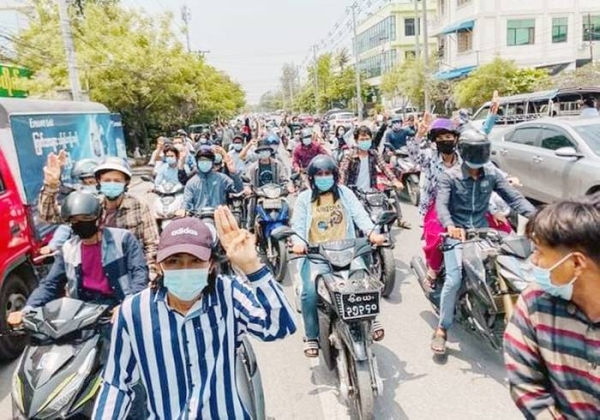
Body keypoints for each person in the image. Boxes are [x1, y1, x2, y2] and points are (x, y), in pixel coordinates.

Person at [92, 207, 297, 419]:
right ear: (159, 265)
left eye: (195, 261)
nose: (184, 270)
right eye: (174, 261)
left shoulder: (228, 293)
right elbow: (117, 384)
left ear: (210, 265)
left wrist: (252, 267)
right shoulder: (134, 312)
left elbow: (280, 327)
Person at [431, 129, 536, 354]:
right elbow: (441, 205)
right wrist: (450, 225)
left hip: (483, 232)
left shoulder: (491, 173)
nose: (477, 167)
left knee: (510, 266)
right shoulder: (449, 176)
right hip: (457, 235)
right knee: (453, 278)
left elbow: (514, 198)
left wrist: (539, 218)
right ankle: (442, 329)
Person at [504, 197, 600, 419]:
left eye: (539, 252)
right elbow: (524, 383)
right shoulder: (535, 303)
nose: (534, 261)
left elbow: (512, 195)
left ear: (576, 263)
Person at [290, 155, 386, 357]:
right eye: (319, 174)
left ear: (335, 175)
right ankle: (312, 336)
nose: (324, 177)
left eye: (328, 174)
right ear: (312, 178)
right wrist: (299, 243)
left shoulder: (345, 193)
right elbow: (298, 225)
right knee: (309, 293)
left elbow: (360, 215)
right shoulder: (304, 199)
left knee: (364, 281)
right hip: (318, 255)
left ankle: (370, 318)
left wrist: (372, 233)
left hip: (347, 250)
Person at [8, 191, 147, 326]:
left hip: (118, 306)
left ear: (98, 218)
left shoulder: (123, 239)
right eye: (75, 220)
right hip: (83, 311)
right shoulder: (68, 249)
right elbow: (50, 284)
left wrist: (128, 305)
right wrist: (28, 309)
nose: (80, 223)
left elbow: (140, 273)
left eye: (86, 219)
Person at [38, 154, 160, 278]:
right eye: (107, 180)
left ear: (126, 182)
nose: (112, 184)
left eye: (117, 181)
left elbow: (152, 244)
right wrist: (51, 185)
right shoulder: (91, 204)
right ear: (99, 182)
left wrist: (150, 271)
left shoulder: (139, 205)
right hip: (98, 272)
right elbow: (49, 216)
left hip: (132, 270)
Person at [339, 125, 411, 229]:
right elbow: (343, 170)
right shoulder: (350, 155)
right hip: (354, 192)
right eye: (362, 139)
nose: (365, 141)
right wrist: (341, 186)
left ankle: (400, 219)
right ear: (356, 140)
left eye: (367, 139)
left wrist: (394, 180)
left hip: (372, 189)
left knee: (391, 194)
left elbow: (384, 167)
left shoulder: (374, 153)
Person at [39, 158, 99, 255]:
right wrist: (51, 185)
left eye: (92, 182)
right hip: (79, 253)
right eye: (84, 183)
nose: (89, 186)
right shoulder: (75, 204)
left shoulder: (106, 203)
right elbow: (51, 217)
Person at [177, 146, 243, 215]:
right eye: (202, 161)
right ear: (197, 162)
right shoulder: (191, 183)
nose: (204, 163)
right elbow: (187, 201)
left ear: (212, 162)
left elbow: (238, 190)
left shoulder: (222, 178)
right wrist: (183, 210)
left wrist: (234, 173)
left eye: (207, 161)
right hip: (199, 218)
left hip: (220, 217)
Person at [244, 139, 293, 230]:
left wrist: (288, 186)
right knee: (251, 207)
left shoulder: (277, 165)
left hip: (276, 194)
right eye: (261, 151)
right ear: (258, 153)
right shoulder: (253, 167)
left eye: (266, 151)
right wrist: (248, 188)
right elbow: (247, 180)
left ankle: (290, 229)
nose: (264, 153)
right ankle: (250, 229)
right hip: (259, 194)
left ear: (270, 152)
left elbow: (284, 179)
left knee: (288, 206)